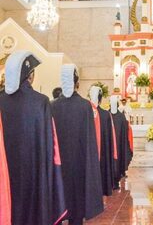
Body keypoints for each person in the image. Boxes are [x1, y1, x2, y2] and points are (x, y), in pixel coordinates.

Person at [0, 51, 66, 224]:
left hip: (6, 169)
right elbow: (50, 142)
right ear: (30, 76)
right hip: (34, 168)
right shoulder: (41, 101)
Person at [52, 64, 103, 225]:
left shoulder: (51, 105)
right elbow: (90, 140)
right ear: (77, 83)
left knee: (59, 199)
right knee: (76, 207)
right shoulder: (85, 106)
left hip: (58, 164)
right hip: (79, 164)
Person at [89, 86, 115, 197]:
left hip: (89, 150)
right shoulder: (105, 114)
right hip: (103, 152)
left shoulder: (85, 111)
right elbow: (110, 137)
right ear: (100, 99)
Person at [109, 95, 132, 189]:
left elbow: (125, 130)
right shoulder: (107, 115)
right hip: (112, 144)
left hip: (118, 144)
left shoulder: (120, 116)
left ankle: (116, 178)